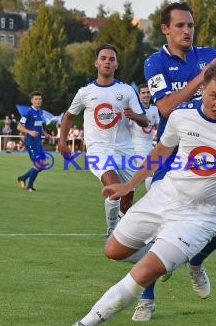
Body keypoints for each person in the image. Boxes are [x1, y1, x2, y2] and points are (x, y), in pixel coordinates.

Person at [63, 60, 216, 326]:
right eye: (213, 96)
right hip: (165, 196)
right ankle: (171, 261)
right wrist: (128, 185)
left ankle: (84, 324)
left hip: (202, 217)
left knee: (144, 272)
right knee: (112, 250)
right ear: (202, 89)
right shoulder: (182, 115)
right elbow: (161, 151)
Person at [133, 1, 216, 322]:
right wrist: (201, 78)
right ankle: (146, 298)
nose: (186, 31)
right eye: (180, 26)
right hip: (170, 157)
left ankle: (195, 262)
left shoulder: (211, 56)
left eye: (190, 26)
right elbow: (166, 107)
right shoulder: (154, 63)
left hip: (210, 161)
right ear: (165, 29)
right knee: (159, 233)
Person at [58, 43, 148, 237]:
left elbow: (145, 120)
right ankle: (112, 232)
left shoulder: (126, 91)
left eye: (112, 59)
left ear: (117, 65)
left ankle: (124, 230)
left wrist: (134, 116)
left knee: (126, 200)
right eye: (104, 58)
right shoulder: (85, 92)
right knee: (114, 188)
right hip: (98, 149)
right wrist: (62, 142)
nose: (107, 62)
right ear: (96, 63)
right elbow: (69, 116)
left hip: (125, 150)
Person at [17, 91, 51, 192]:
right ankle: (29, 186)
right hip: (30, 142)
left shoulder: (40, 112)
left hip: (38, 142)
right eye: (36, 99)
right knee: (38, 164)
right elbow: (19, 126)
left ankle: (23, 178)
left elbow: (39, 126)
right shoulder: (27, 113)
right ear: (32, 100)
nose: (38, 101)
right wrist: (29, 132)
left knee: (42, 165)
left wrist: (45, 134)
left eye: (40, 99)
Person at [129, 83, 159, 188]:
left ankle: (125, 198)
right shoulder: (134, 110)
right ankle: (151, 200)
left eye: (148, 92)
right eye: (143, 93)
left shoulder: (155, 109)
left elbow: (158, 126)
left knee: (136, 178)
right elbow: (127, 128)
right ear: (139, 95)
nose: (146, 95)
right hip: (137, 147)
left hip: (150, 146)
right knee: (150, 172)